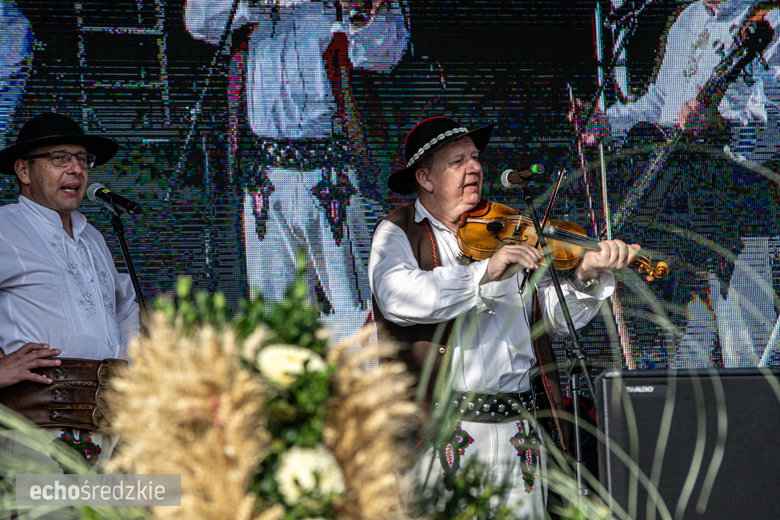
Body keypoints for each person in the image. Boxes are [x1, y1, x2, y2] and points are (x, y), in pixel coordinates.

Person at [369, 116, 641, 516]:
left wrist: (584, 275)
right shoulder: (397, 231)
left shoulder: (506, 228)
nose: (474, 168)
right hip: (442, 433)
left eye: (475, 158)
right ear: (425, 178)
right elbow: (397, 297)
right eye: (458, 161)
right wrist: (484, 273)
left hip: (519, 432)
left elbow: (551, 320)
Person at [185, 0, 410, 342]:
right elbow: (198, 20)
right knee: (274, 314)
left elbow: (385, 55)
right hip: (264, 173)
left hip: (336, 172)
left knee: (355, 311)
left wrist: (359, 12)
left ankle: (362, 374)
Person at [572, 0, 780, 369]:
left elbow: (774, 128)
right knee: (689, 359)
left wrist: (722, 128)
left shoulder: (771, 19)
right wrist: (609, 122)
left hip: (746, 210)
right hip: (687, 214)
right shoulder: (690, 18)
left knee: (747, 352)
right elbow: (661, 103)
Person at [0, 111, 140, 479]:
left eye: (82, 158)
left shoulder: (94, 237)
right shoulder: (5, 227)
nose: (76, 168)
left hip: (110, 426)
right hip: (38, 427)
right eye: (59, 158)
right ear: (24, 171)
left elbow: (125, 310)